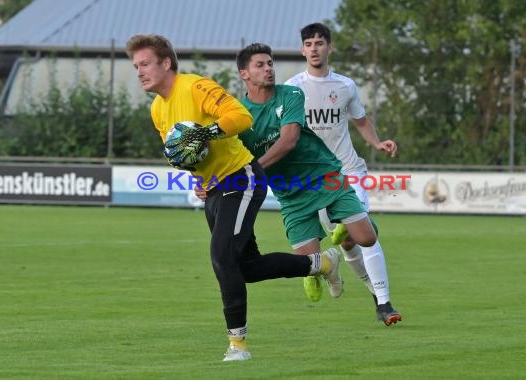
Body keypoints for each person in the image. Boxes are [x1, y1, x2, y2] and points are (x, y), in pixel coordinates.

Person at [125, 34, 341, 362]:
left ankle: (237, 345)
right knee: (247, 268)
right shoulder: (158, 109)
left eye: (145, 64)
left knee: (222, 256)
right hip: (212, 190)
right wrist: (196, 174)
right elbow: (181, 152)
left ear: (165, 63)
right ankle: (320, 263)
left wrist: (205, 133)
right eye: (135, 66)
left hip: (241, 179)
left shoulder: (195, 86)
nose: (139, 71)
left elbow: (241, 117)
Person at [233, 42, 381, 308]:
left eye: (270, 63)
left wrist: (252, 172)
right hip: (290, 193)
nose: (268, 69)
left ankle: (348, 221)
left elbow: (289, 140)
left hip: (323, 175)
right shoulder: (239, 115)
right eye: (260, 65)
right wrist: (207, 181)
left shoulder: (290, 94)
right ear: (244, 73)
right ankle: (330, 267)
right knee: (308, 263)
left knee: (367, 239)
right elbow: (227, 155)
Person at [285, 22, 402, 326]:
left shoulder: (345, 86)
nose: (314, 48)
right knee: (348, 243)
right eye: (309, 44)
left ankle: (384, 302)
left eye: (320, 43)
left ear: (329, 48)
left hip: (348, 170)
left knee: (364, 235)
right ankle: (371, 292)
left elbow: (360, 121)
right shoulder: (291, 88)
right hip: (315, 178)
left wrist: (378, 142)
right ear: (302, 50)